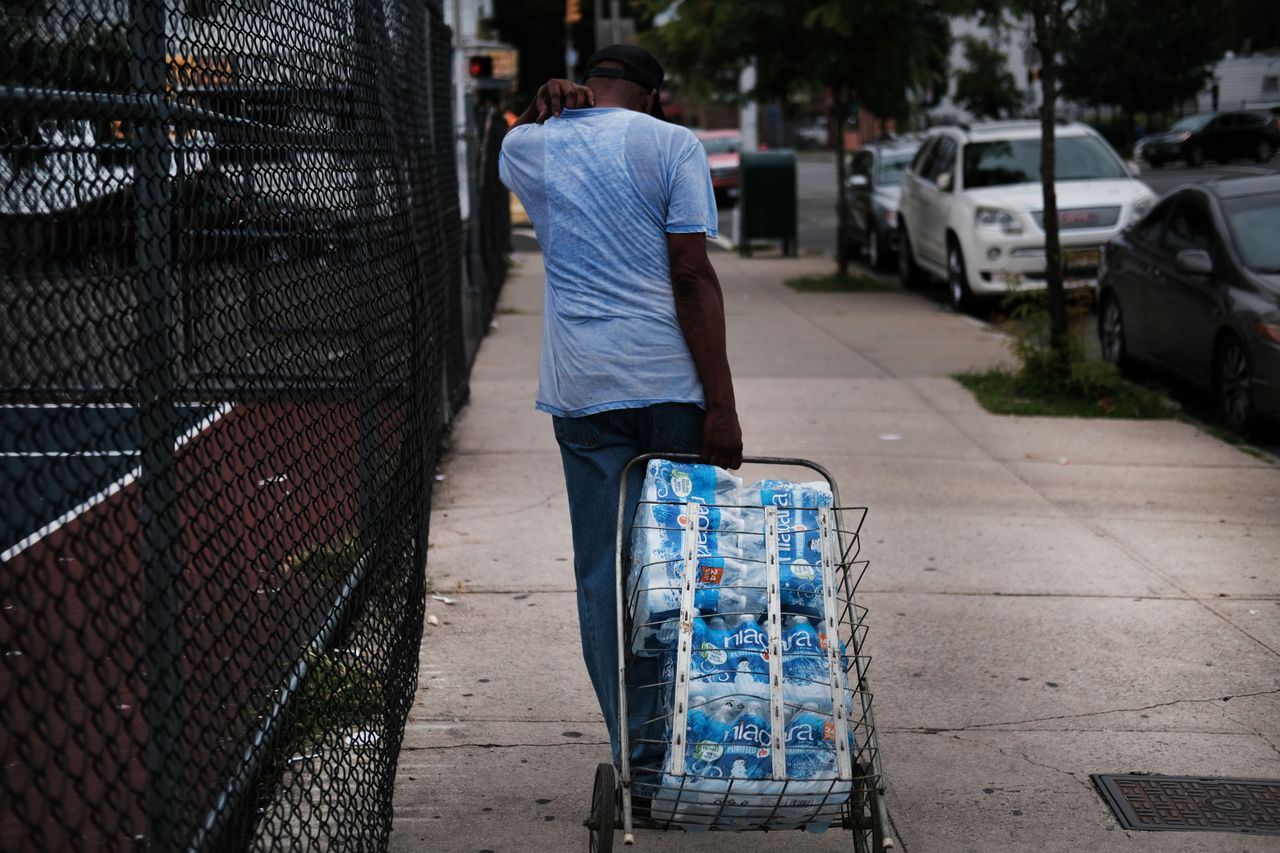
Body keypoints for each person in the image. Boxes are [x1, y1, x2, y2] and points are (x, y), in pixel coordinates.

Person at [498, 44, 743, 765]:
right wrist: (721, 404)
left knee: (600, 570)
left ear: (587, 86)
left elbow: (503, 139)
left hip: (583, 389)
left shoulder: (529, 147)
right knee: (678, 563)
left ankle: (630, 747)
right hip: (671, 385)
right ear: (654, 97)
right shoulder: (672, 145)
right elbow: (692, 275)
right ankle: (688, 736)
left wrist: (547, 102)